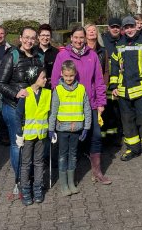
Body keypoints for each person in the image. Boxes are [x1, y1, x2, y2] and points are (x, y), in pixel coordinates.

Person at [51, 26, 111, 185]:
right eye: (75, 37)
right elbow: (55, 81)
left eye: (81, 38)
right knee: (73, 141)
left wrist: (101, 103)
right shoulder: (62, 55)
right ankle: (72, 174)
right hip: (70, 106)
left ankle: (97, 172)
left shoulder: (92, 55)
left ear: (85, 39)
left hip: (90, 103)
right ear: (71, 38)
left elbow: (98, 81)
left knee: (96, 137)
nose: (78, 41)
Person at [0, 26, 44, 194]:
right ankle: (19, 180)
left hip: (33, 110)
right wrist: (16, 93)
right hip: (13, 108)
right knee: (18, 144)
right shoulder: (12, 57)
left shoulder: (39, 57)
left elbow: (42, 80)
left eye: (32, 38)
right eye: (26, 37)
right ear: (20, 37)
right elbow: (0, 84)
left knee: (32, 143)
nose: (29, 40)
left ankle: (30, 176)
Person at [109, 16, 142, 164]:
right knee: (128, 122)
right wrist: (113, 86)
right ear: (123, 30)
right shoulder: (119, 45)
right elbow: (113, 65)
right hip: (124, 91)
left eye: (131, 26)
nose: (129, 30)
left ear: (136, 27)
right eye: (126, 28)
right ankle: (133, 148)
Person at [49, 60, 92, 195]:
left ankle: (71, 182)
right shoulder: (58, 90)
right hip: (62, 129)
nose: (68, 78)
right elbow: (53, 111)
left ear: (75, 74)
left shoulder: (81, 89)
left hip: (76, 129)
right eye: (66, 76)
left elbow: (87, 109)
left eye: (71, 76)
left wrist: (86, 127)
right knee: (62, 156)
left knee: (73, 155)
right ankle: (64, 185)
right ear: (61, 74)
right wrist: (51, 129)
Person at [15, 68, 50, 205]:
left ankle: (37, 188)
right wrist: (19, 134)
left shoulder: (47, 93)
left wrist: (51, 131)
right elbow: (18, 115)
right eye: (43, 77)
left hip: (41, 135)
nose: (45, 79)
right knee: (25, 164)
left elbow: (50, 112)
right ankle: (25, 189)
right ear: (35, 78)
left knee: (39, 162)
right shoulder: (26, 94)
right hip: (28, 136)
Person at [101, 18, 123, 147]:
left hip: (120, 83)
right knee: (107, 111)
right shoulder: (103, 41)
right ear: (108, 28)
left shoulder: (124, 41)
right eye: (113, 27)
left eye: (117, 27)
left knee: (118, 113)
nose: (115, 29)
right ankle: (105, 139)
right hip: (107, 83)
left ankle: (117, 137)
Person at [36, 24, 59, 88]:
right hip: (35, 87)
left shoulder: (56, 53)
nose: (45, 38)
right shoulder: (33, 51)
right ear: (38, 36)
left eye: (48, 35)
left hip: (50, 87)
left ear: (51, 37)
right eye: (43, 35)